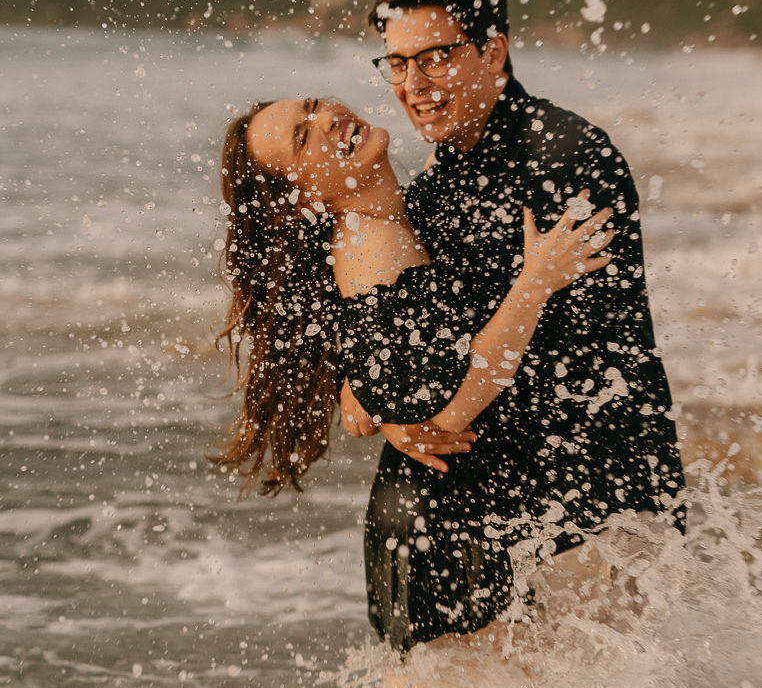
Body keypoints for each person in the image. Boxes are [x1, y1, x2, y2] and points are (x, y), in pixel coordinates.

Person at [343, 0, 685, 648]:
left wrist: (422, 411)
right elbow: (409, 353)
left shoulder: (567, 160)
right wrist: (391, 412)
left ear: (493, 52)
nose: (414, 85)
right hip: (513, 513)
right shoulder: (436, 188)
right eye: (398, 64)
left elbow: (556, 359)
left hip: (600, 510)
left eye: (435, 58)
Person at [214, 95, 614, 652]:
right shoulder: (372, 249)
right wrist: (537, 281)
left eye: (313, 105)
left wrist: (365, 392)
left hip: (446, 519)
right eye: (302, 138)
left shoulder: (393, 211)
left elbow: (383, 347)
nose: (327, 119)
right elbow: (451, 407)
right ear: (304, 200)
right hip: (438, 535)